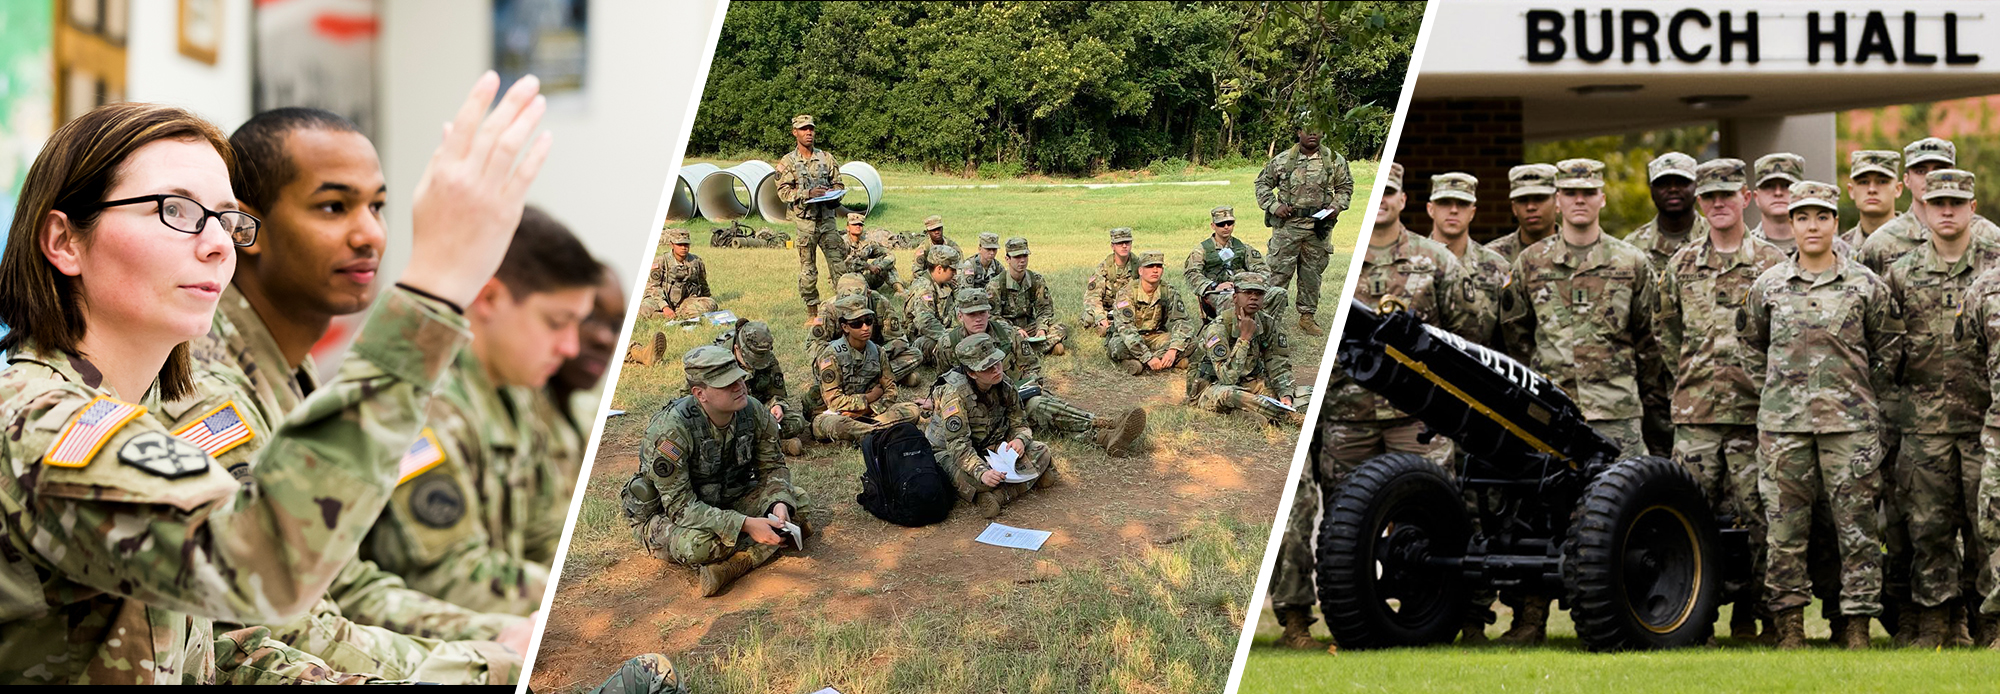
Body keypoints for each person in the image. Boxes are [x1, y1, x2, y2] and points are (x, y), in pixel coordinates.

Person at [0, 68, 548, 683]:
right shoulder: (35, 419)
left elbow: (229, 652)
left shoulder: (138, 401)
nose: (216, 244)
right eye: (177, 210)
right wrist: (435, 286)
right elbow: (258, 562)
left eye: (227, 219)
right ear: (64, 241)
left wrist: (490, 661)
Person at [182, 104, 534, 683]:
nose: (370, 233)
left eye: (377, 206)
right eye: (333, 206)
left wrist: (495, 634)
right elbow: (262, 626)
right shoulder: (206, 387)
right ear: (245, 228)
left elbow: (342, 583)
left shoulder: (287, 368)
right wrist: (488, 663)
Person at [362, 207, 601, 615]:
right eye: (557, 322)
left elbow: (543, 530)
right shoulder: (422, 408)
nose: (571, 347)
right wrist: (570, 602)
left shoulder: (517, 391)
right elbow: (445, 578)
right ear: (489, 298)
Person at [1743, 179, 1904, 650]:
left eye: (1821, 217)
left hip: (1849, 430)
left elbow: (1889, 350)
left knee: (1855, 531)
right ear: (1790, 224)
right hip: (1784, 428)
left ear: (1836, 222)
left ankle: (1855, 626)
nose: (1812, 226)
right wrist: (1778, 393)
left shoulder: (1865, 285)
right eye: (1802, 217)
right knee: (1785, 531)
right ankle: (1790, 625)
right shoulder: (1768, 286)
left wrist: (1853, 394)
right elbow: (1752, 347)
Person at [1653, 157, 1789, 642]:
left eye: (1727, 195)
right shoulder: (1682, 265)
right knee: (1688, 523)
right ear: (1700, 202)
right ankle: (1694, 618)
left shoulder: (1772, 264)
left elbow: (1785, 337)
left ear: (1745, 199)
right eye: (1709, 197)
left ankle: (1759, 617)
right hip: (1697, 418)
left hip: (1756, 416)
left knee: (1761, 520)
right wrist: (1692, 378)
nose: (1718, 204)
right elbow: (1666, 331)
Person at [1882, 169, 1995, 648]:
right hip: (1922, 424)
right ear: (1924, 209)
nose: (1947, 211)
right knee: (1927, 528)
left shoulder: (1993, 272)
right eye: (1938, 202)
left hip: (1980, 424)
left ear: (1972, 208)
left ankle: (1987, 622)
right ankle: (1935, 621)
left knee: (1985, 527)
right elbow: (1885, 350)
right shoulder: (1901, 273)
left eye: (1957, 202)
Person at [1499, 158, 1661, 456]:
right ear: (1558, 200)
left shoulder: (1631, 262)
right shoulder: (1531, 263)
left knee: (1622, 496)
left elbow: (1649, 341)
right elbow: (1515, 336)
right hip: (1551, 409)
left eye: (1588, 192)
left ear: (1602, 198)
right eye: (1570, 192)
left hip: (1616, 412)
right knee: (1552, 498)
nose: (1579, 200)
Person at [622, 346, 813, 597]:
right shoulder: (671, 431)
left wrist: (778, 503)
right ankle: (749, 554)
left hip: (728, 498)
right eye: (727, 384)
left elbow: (773, 467)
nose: (740, 387)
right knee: (700, 546)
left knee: (797, 502)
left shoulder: (753, 411)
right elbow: (680, 508)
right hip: (673, 515)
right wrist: (745, 524)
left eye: (739, 378)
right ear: (700, 394)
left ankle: (735, 564)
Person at [944, 287, 1146, 457]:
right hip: (978, 409)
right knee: (1039, 408)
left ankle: (1104, 434)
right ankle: (1105, 426)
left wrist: (1032, 384)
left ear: (989, 312)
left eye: (982, 313)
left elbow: (1030, 364)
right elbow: (946, 381)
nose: (978, 319)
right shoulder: (949, 344)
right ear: (960, 315)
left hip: (1012, 395)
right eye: (972, 314)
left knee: (1038, 407)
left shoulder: (1005, 332)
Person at [927, 334, 1058, 518]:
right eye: (987, 368)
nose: (996, 369)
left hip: (992, 446)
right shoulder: (955, 395)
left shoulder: (1004, 384)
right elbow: (958, 446)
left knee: (1041, 450)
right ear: (971, 373)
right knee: (976, 479)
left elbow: (1019, 422)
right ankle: (1020, 482)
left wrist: (1019, 440)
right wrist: (981, 473)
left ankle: (1000, 495)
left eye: (996, 362)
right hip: (951, 452)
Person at [1256, 119, 1352, 334]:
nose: (1312, 135)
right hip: (1287, 228)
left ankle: (1307, 318)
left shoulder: (1334, 161)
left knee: (1312, 274)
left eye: (1317, 130)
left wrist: (1336, 207)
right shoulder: (1282, 160)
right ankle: (1270, 318)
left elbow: (1345, 187)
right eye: (1307, 130)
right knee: (1278, 272)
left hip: (1318, 228)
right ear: (1299, 132)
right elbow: (1262, 183)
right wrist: (1273, 205)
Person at [1860, 137, 2000, 275]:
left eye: (1939, 170)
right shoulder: (1881, 243)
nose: (1930, 178)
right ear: (1906, 180)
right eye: (1921, 171)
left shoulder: (1989, 235)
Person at [1187, 272, 1300, 425]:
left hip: (1250, 385)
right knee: (1231, 395)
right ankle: (1288, 417)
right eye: (1247, 293)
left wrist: (1286, 395)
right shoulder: (1218, 328)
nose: (1253, 298)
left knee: (1307, 394)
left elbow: (1278, 364)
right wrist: (1244, 338)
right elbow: (1227, 378)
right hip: (1212, 387)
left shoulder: (1267, 323)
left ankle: (1243, 412)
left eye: (1259, 293)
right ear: (1235, 297)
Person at [808, 294, 923, 444]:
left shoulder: (877, 351)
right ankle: (880, 433)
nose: (865, 328)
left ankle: (868, 434)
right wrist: (869, 398)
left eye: (868, 321)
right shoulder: (831, 355)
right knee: (837, 425)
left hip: (871, 413)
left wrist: (868, 409)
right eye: (857, 324)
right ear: (845, 327)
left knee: (912, 410)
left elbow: (891, 390)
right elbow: (834, 401)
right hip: (837, 415)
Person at [774, 114, 848, 318]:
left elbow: (838, 183)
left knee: (839, 265)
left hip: (828, 221)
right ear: (794, 132)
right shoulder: (788, 161)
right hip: (805, 223)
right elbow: (783, 193)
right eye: (804, 129)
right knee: (808, 271)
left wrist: (834, 195)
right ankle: (812, 312)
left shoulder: (826, 157)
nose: (809, 133)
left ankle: (845, 309)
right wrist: (807, 194)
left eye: (811, 129)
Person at [1424, 171, 1505, 343]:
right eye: (1444, 203)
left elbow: (1508, 338)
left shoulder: (1498, 268)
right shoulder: (1411, 262)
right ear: (1431, 209)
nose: (1453, 210)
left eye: (1462, 204)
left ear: (1472, 212)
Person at [809, 273, 920, 385]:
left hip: (874, 358)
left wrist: (874, 356)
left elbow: (898, 340)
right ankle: (884, 380)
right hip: (842, 362)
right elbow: (815, 345)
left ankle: (869, 381)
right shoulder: (829, 309)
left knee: (914, 354)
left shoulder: (880, 303)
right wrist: (846, 358)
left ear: (868, 293)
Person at [716, 320, 807, 456]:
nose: (756, 366)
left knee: (796, 422)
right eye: (752, 361)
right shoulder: (717, 361)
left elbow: (776, 392)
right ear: (737, 349)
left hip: (758, 411)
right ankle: (777, 445)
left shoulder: (767, 357)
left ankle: (761, 444)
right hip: (728, 416)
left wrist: (776, 405)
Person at [1105, 251, 1195, 375]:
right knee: (1117, 347)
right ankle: (1165, 362)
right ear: (1140, 271)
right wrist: (1148, 357)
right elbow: (1126, 330)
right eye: (1150, 266)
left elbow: (1182, 322)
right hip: (1130, 338)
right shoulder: (1127, 293)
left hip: (1156, 336)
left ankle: (1141, 363)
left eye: (1158, 266)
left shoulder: (1168, 291)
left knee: (1191, 341)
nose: (1155, 270)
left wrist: (1173, 350)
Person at [1185, 205, 1269, 319]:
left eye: (1229, 223)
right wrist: (1213, 286)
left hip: (1245, 289)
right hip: (1217, 293)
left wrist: (1252, 284)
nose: (1226, 227)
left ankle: (1266, 328)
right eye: (1221, 224)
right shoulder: (1202, 250)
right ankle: (1233, 331)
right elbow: (1192, 273)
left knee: (1278, 293)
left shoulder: (1243, 248)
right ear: (1213, 226)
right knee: (1232, 299)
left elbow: (1262, 269)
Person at [987, 237, 1066, 356]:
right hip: (1007, 329)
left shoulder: (1036, 280)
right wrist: (1015, 330)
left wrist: (1041, 328)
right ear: (1007, 259)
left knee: (1061, 328)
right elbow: (992, 317)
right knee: (993, 336)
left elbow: (1045, 309)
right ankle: (1043, 348)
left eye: (1025, 256)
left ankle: (1022, 349)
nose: (1022, 260)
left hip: (1030, 328)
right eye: (1017, 257)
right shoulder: (995, 285)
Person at [1484, 163, 1559, 261]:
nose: (1530, 207)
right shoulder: (1491, 257)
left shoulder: (1579, 252)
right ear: (1514, 207)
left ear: (1557, 202)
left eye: (1539, 199)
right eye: (1522, 200)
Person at [905, 245, 963, 366]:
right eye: (952, 270)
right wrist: (950, 337)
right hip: (921, 338)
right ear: (940, 269)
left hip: (941, 332)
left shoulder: (947, 283)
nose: (955, 273)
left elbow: (960, 306)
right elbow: (925, 322)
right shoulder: (923, 287)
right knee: (948, 348)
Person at [1081, 227, 1141, 337]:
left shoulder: (1139, 266)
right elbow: (1092, 297)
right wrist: (1101, 317)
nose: (1124, 246)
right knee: (1089, 317)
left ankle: (1114, 326)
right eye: (1120, 243)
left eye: (1127, 242)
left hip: (1130, 308)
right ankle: (1107, 325)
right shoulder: (1104, 268)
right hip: (1108, 309)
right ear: (1112, 246)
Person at [643, 228, 716, 319]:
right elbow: (653, 286)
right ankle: (664, 315)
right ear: (672, 245)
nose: (683, 248)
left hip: (686, 301)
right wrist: (665, 307)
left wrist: (707, 299)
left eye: (686, 244)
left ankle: (674, 314)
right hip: (662, 299)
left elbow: (702, 282)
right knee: (642, 310)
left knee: (710, 305)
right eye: (679, 244)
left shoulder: (696, 261)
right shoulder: (661, 261)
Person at [1844, 150, 1904, 249]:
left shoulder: (1920, 243)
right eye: (1863, 182)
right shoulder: (1840, 249)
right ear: (1851, 191)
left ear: (1898, 189)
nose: (1872, 190)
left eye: (1882, 181)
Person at [1746, 153, 1805, 254]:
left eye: (1787, 185)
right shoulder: (1745, 249)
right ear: (1756, 197)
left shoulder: (1828, 246)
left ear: (1802, 193)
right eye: (1769, 186)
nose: (1778, 193)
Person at [842, 212, 901, 296]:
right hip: (846, 280)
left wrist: (880, 266)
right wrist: (869, 267)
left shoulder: (866, 242)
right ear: (848, 227)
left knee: (887, 264)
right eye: (854, 225)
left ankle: (900, 290)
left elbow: (887, 253)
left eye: (860, 225)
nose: (858, 226)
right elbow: (847, 262)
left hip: (863, 277)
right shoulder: (842, 243)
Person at [910, 214, 962, 280]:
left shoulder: (952, 247)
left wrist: (951, 279)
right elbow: (917, 272)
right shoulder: (924, 249)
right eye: (933, 230)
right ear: (928, 232)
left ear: (942, 228)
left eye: (938, 229)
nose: (937, 232)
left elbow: (960, 268)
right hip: (929, 281)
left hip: (950, 279)